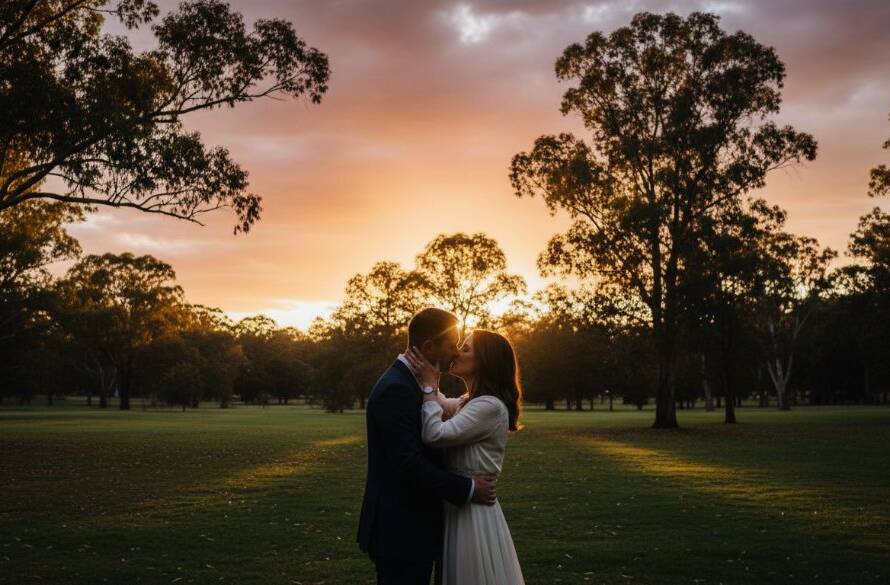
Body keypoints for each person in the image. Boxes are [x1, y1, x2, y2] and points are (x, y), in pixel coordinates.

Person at [357, 308, 498, 585]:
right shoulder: (397, 389)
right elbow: (408, 464)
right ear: (429, 347)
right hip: (401, 531)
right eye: (452, 345)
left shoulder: (413, 383)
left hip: (413, 527)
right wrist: (468, 488)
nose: (455, 352)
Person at [404, 328, 525, 585]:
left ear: (485, 362)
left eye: (466, 348)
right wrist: (425, 371)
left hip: (473, 513)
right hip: (460, 503)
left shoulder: (489, 406)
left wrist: (429, 384)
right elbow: (441, 403)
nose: (457, 352)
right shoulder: (468, 401)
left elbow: (435, 434)